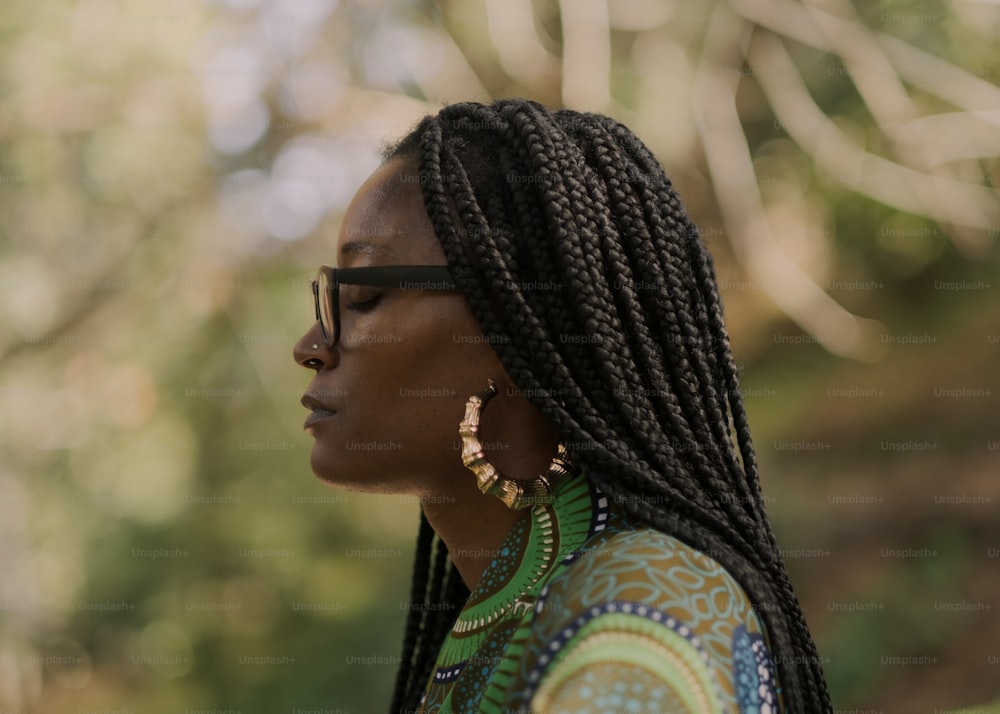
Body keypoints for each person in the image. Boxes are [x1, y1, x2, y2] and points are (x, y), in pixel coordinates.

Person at [293, 98, 831, 713]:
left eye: (360, 294)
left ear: (520, 323)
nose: (310, 347)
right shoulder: (523, 602)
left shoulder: (639, 612)